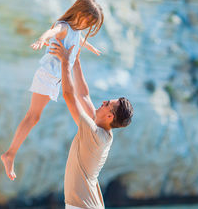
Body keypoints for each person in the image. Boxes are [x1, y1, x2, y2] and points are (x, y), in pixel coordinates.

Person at [1, 0, 104, 181]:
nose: (86, 25)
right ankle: (10, 154)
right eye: (87, 20)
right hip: (47, 75)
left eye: (90, 23)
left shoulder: (76, 31)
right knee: (32, 116)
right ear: (79, 12)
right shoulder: (64, 26)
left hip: (56, 79)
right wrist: (41, 39)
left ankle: (10, 154)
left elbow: (80, 39)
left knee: (38, 116)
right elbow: (52, 31)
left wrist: (91, 48)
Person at [49, 39, 134, 209]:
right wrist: (76, 60)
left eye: (107, 104)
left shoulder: (95, 134)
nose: (102, 102)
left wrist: (66, 62)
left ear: (109, 116)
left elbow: (69, 95)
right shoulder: (101, 128)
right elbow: (84, 95)